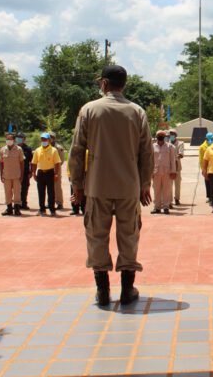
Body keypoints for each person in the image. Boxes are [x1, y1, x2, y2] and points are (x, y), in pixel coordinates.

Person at [70, 64, 154, 307]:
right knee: (129, 236)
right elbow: (146, 152)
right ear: (124, 85)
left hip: (97, 185)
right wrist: (144, 184)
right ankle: (127, 289)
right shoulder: (137, 111)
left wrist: (77, 185)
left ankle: (103, 290)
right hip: (129, 186)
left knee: (96, 235)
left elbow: (77, 151)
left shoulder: (89, 110)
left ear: (104, 83)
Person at [31, 132, 62, 216]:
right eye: (42, 139)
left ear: (49, 140)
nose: (43, 141)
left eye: (45, 139)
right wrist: (33, 173)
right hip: (40, 173)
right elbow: (34, 163)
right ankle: (42, 209)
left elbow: (57, 163)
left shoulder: (54, 150)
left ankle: (52, 209)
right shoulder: (37, 150)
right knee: (41, 192)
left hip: (50, 172)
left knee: (51, 192)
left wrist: (56, 174)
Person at [151, 130, 177, 214]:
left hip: (167, 172)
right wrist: (150, 173)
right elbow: (150, 161)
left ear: (164, 136)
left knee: (166, 190)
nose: (160, 136)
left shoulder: (170, 147)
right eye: (159, 135)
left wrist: (173, 171)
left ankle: (166, 207)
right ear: (156, 136)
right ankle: (157, 207)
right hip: (156, 172)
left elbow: (173, 160)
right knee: (156, 190)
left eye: (162, 135)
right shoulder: (152, 147)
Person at [0, 134, 24, 216]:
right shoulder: (3, 149)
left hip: (16, 175)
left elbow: (22, 163)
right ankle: (9, 209)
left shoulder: (19, 149)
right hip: (6, 175)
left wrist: (22, 175)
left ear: (14, 140)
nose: (8, 141)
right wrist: (1, 174)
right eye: (7, 139)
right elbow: (1, 163)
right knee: (7, 193)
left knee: (17, 193)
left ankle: (17, 209)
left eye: (10, 139)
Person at [16, 132, 33, 210]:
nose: (18, 139)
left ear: (24, 139)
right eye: (18, 137)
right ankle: (17, 204)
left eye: (20, 138)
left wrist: (31, 172)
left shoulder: (28, 149)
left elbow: (31, 161)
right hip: (15, 172)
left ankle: (24, 203)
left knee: (24, 188)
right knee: (16, 188)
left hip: (25, 172)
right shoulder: (13, 148)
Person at [49, 132, 66, 210]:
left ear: (54, 138)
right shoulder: (46, 146)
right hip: (47, 168)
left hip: (56, 169)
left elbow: (61, 160)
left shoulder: (59, 148)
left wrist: (55, 167)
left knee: (57, 187)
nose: (49, 138)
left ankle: (59, 203)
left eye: (51, 137)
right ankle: (51, 202)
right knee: (49, 187)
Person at [170, 129, 185, 206]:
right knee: (168, 185)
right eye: (170, 134)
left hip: (177, 166)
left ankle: (177, 198)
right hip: (168, 167)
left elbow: (181, 154)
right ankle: (169, 200)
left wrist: (174, 157)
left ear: (176, 135)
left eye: (172, 134)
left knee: (177, 184)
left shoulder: (180, 143)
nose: (171, 135)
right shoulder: (167, 143)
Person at [199, 132, 213, 203]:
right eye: (209, 139)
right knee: (207, 182)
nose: (210, 140)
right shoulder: (202, 147)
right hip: (206, 168)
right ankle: (209, 197)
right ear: (206, 138)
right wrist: (203, 169)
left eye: (211, 138)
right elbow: (201, 159)